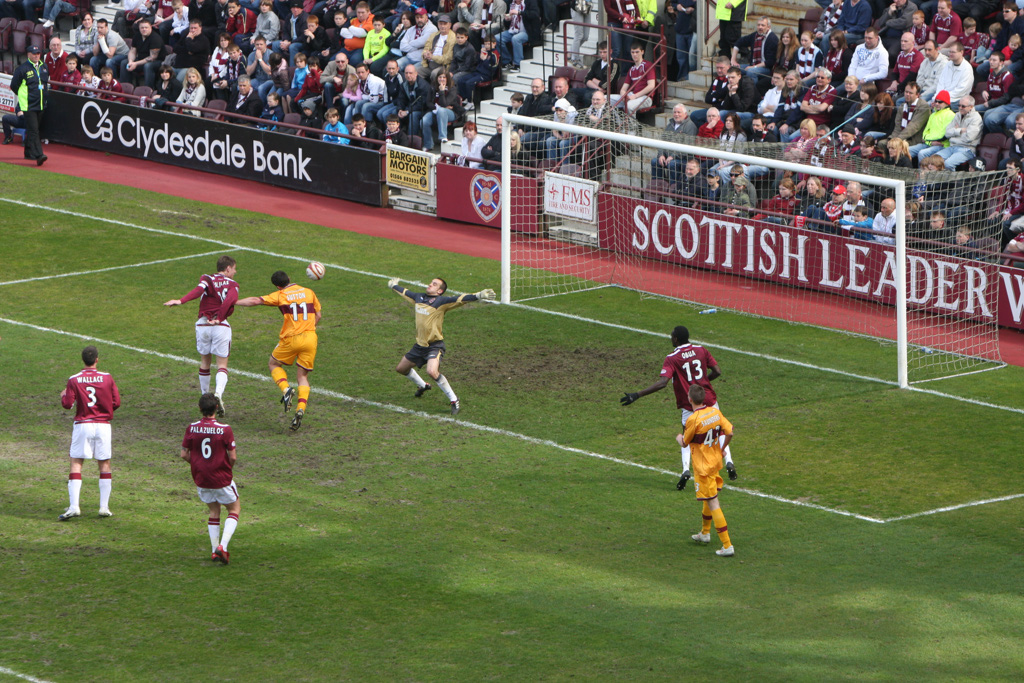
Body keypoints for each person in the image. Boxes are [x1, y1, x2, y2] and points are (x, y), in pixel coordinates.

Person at [619, 325, 736, 485]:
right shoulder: (701, 350)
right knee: (719, 430)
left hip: (690, 405)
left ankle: (685, 470)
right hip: (709, 398)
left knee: (686, 436)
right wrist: (702, 385)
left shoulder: (672, 358)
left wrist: (637, 394)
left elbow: (662, 383)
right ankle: (729, 460)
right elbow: (717, 371)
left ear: (676, 339)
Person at [388, 276, 495, 415]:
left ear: (439, 291)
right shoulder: (418, 297)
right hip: (419, 346)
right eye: (431, 282)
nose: (430, 285)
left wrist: (479, 295)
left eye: (434, 284)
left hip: (434, 345)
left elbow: (460, 299)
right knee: (401, 369)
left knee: (432, 371)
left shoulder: (441, 302)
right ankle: (423, 385)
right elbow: (405, 292)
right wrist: (394, 285)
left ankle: (454, 399)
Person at [236, 270, 323, 431]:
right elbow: (318, 315)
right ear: (290, 278)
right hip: (310, 338)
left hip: (291, 339)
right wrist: (309, 328)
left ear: (277, 285)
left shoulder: (281, 295)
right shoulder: (309, 292)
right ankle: (300, 409)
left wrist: (234, 302)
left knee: (273, 364)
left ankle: (286, 389)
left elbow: (256, 301)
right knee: (302, 376)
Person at [163, 256, 240, 416]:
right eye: (234, 269)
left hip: (203, 325)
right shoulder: (233, 285)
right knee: (222, 365)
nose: (235, 272)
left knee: (205, 362)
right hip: (220, 326)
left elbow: (198, 290)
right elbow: (229, 301)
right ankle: (218, 394)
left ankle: (205, 395)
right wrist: (219, 317)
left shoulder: (207, 278)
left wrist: (180, 300)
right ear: (227, 269)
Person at [59, 345, 121, 521]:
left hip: (83, 425)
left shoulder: (74, 379)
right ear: (97, 360)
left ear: (83, 360)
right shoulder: (107, 378)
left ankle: (74, 506)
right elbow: (116, 402)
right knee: (104, 463)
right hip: (103, 426)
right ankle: (104, 507)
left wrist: (64, 395)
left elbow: (67, 404)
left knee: (76, 462)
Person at [180, 393, 240, 565]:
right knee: (234, 509)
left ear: (200, 408)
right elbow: (233, 457)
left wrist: (197, 464)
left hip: (201, 478)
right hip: (221, 477)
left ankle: (214, 551)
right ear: (216, 408)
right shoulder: (225, 429)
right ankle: (223, 546)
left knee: (214, 511)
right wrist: (226, 468)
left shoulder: (191, 428)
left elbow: (184, 453)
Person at [677, 384, 735, 557]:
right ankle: (705, 533)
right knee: (708, 498)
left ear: (690, 399)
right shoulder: (714, 412)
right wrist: (723, 448)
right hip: (715, 462)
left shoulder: (693, 420)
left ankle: (727, 545)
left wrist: (679, 437)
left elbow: (685, 443)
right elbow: (730, 431)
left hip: (703, 467)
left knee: (713, 502)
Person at [9, 45, 49, 166]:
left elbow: (44, 83)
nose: (36, 55)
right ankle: (39, 154)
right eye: (34, 53)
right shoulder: (22, 69)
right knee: (34, 130)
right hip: (28, 105)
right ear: (28, 55)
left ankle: (28, 152)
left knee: (34, 130)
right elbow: (14, 85)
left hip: (41, 104)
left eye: (38, 53)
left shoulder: (44, 66)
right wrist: (24, 97)